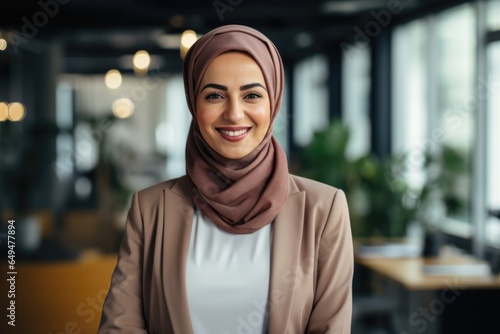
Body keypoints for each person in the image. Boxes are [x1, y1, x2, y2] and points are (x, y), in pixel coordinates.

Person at [98, 24, 353, 334]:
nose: (234, 114)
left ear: (273, 102)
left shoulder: (323, 209)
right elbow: (120, 326)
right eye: (215, 95)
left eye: (252, 95)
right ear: (194, 103)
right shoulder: (150, 208)